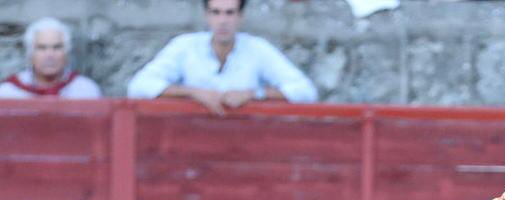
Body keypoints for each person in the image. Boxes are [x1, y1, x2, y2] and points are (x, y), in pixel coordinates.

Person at [127, 0, 317, 116]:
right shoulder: (185, 46)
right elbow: (138, 87)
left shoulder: (257, 49)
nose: (223, 21)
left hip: (246, 143)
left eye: (229, 13)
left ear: (240, 17)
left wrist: (253, 95)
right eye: (216, 12)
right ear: (207, 16)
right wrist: (194, 93)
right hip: (189, 142)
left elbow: (305, 91)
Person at [0, 17, 102, 100]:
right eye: (41, 48)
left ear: (66, 53)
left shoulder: (86, 91)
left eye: (57, 47)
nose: (49, 55)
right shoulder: (8, 93)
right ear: (30, 54)